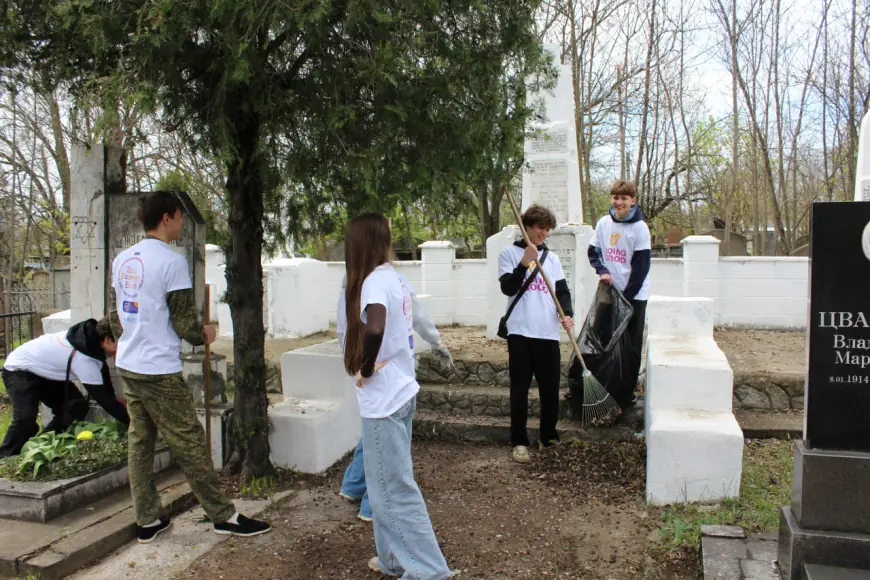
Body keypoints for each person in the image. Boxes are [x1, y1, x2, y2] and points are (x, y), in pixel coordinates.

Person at [110, 191, 271, 544]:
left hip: (129, 363)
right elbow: (185, 325)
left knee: (140, 442)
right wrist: (206, 332)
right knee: (191, 443)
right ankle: (223, 515)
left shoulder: (123, 260)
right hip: (158, 369)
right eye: (180, 217)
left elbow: (115, 317)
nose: (182, 224)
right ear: (166, 218)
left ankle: (147, 519)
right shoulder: (171, 262)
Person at [343, 212, 454, 579]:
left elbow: (374, 326)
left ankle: (428, 571)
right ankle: (392, 560)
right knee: (383, 485)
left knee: (391, 492)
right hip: (402, 391)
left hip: (385, 399)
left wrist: (368, 366)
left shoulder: (373, 282)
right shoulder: (395, 278)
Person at [336, 274, 455, 522]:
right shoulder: (391, 280)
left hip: (371, 368)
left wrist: (353, 359)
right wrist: (436, 341)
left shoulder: (354, 278)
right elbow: (415, 316)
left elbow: (343, 324)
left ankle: (354, 484)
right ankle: (372, 506)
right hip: (389, 374)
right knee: (391, 448)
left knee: (375, 435)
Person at [497, 204, 574, 464]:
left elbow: (561, 290)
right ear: (527, 226)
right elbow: (508, 288)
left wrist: (567, 313)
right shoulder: (508, 254)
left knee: (550, 390)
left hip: (548, 333)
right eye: (541, 228)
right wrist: (524, 262)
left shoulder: (551, 259)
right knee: (519, 389)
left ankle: (548, 437)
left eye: (548, 229)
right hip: (519, 332)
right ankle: (519, 441)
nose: (544, 233)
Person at [0, 317, 130, 458]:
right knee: (25, 418)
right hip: (19, 368)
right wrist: (134, 423)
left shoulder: (90, 341)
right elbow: (103, 400)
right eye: (121, 343)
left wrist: (112, 397)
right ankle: (5, 456)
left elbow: (102, 370)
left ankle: (42, 442)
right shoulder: (84, 358)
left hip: (43, 371)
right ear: (107, 340)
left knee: (76, 405)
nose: (122, 350)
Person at [586, 179, 651, 410]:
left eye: (624, 198)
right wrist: (602, 271)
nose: (618, 202)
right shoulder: (604, 223)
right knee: (603, 339)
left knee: (630, 346)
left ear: (633, 201)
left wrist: (627, 299)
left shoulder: (639, 228)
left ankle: (626, 392)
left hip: (633, 297)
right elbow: (593, 251)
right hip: (609, 293)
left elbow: (641, 266)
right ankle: (605, 385)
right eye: (615, 197)